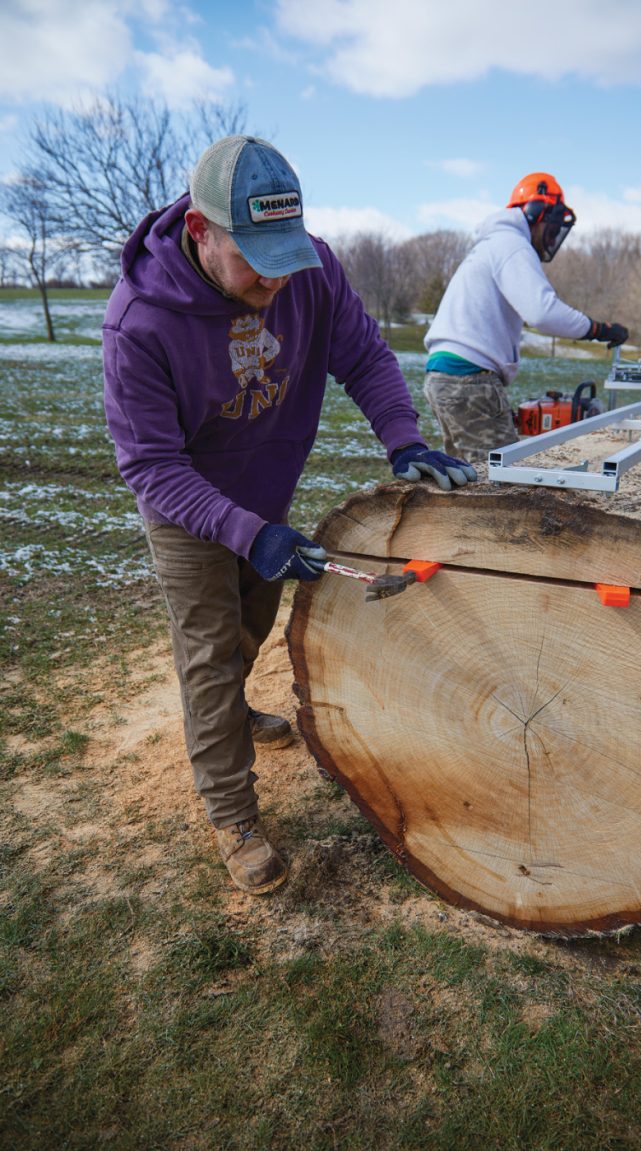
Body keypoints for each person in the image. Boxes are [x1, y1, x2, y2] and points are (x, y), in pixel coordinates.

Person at [102, 135, 477, 896]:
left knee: (251, 624)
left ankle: (232, 713)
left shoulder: (312, 272)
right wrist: (246, 533)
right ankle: (232, 813)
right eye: (257, 259)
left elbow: (364, 355)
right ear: (201, 232)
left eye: (286, 255)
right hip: (185, 505)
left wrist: (403, 439)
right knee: (210, 652)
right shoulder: (139, 321)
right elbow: (150, 465)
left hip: (265, 493)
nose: (276, 277)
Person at [423, 172, 629, 462]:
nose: (553, 237)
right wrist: (598, 329)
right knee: (502, 475)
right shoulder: (512, 245)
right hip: (468, 380)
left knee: (469, 473)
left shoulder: (492, 245)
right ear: (535, 212)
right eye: (552, 228)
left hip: (444, 377)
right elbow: (542, 312)